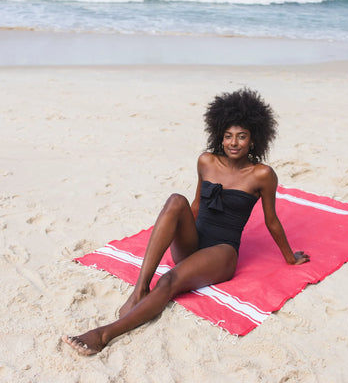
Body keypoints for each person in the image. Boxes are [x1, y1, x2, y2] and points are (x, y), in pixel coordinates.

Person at [62, 88, 310, 355]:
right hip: (195, 243)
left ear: (253, 140)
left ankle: (103, 334)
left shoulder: (262, 174)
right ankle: (140, 288)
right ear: (220, 136)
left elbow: (271, 221)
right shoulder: (206, 161)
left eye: (241, 137)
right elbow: (195, 205)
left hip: (222, 252)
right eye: (228, 136)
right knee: (175, 200)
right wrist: (178, 231)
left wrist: (290, 257)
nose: (233, 143)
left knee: (168, 281)